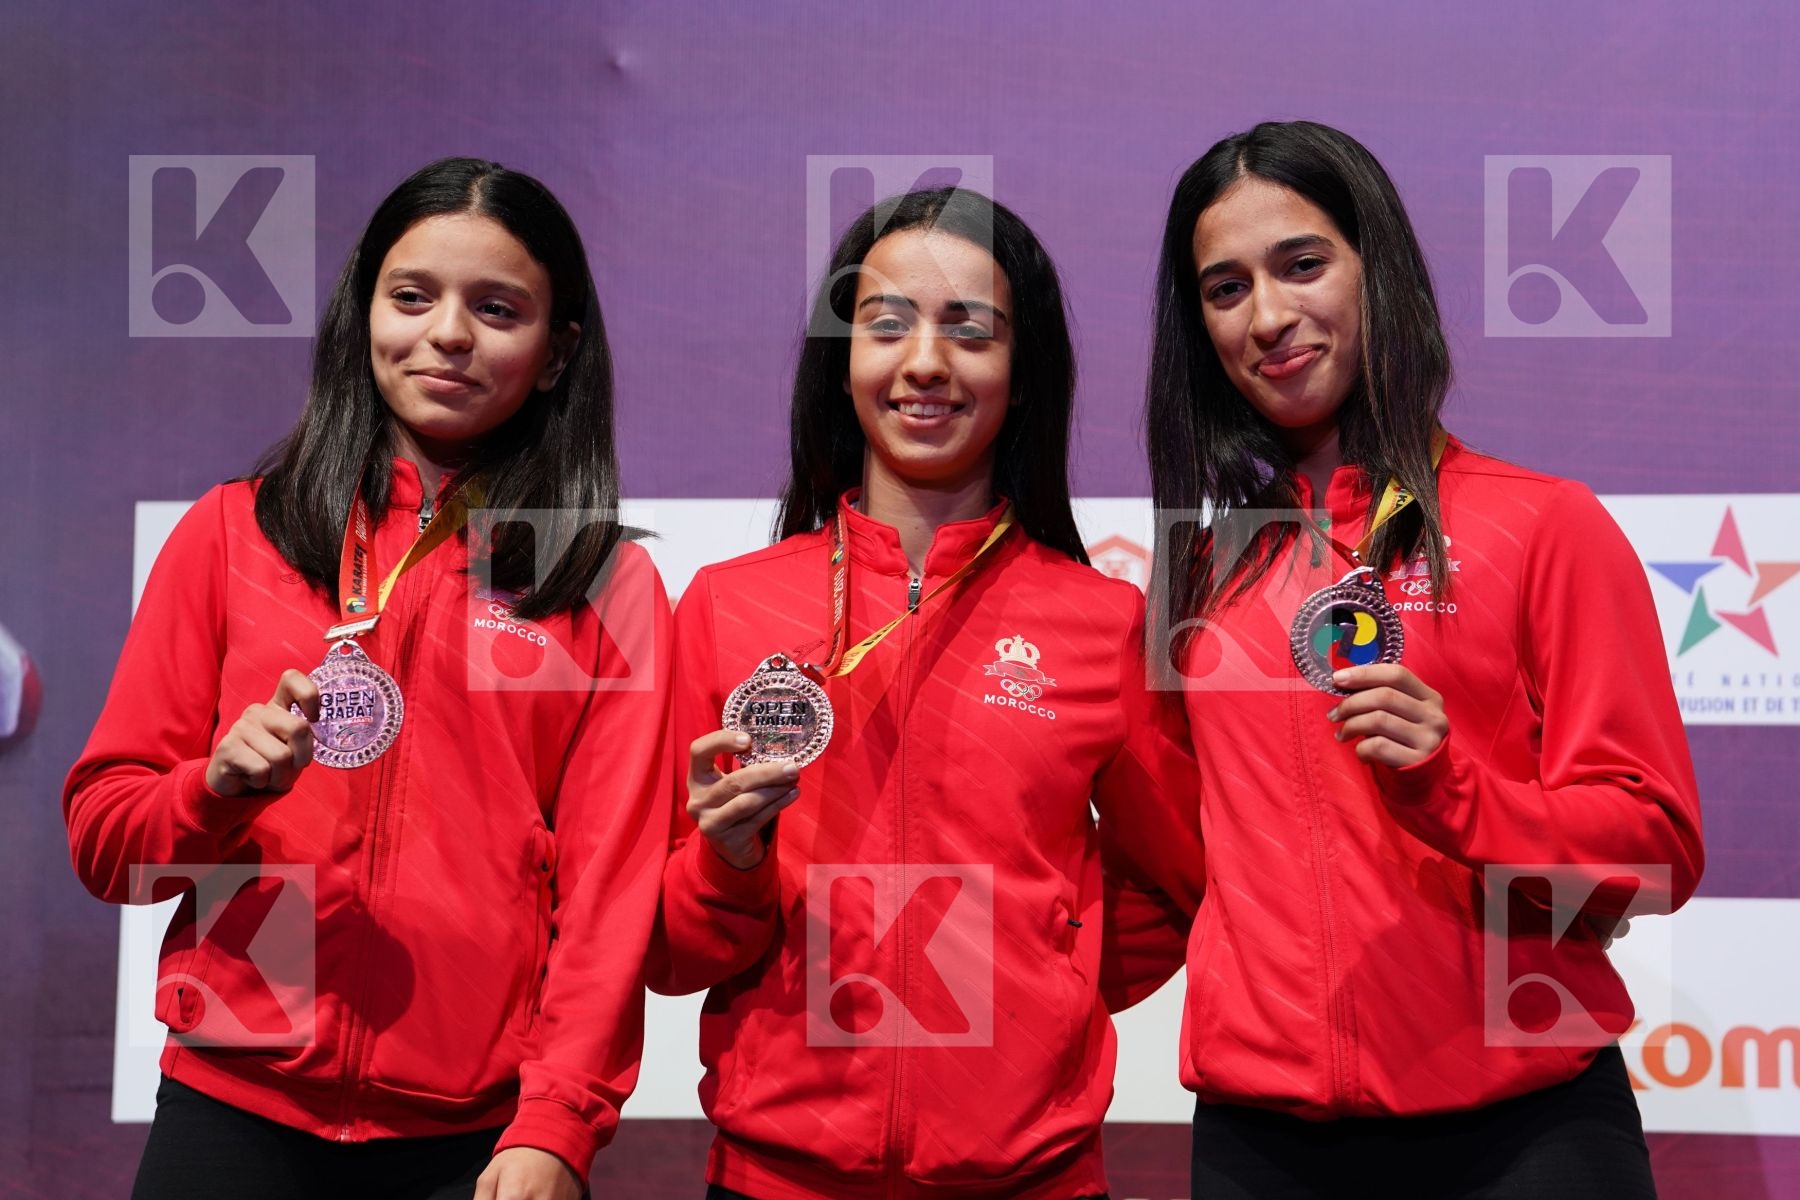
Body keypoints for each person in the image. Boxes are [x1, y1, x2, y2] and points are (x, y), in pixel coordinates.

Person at [64, 158, 670, 1200]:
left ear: (559, 350)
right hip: (231, 1103)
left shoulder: (600, 578)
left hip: (473, 1139)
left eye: (497, 308)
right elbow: (107, 845)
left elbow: (610, 897)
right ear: (363, 315)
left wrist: (558, 1125)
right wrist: (212, 791)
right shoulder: (234, 533)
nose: (447, 334)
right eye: (412, 297)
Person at [1143, 119, 1705, 1199]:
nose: (1268, 316)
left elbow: (1657, 849)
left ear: (1378, 269)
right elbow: (1175, 863)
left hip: (1524, 1136)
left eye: (1303, 264)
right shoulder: (1195, 570)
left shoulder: (1542, 525)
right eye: (1224, 288)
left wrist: (1453, 789)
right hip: (1262, 1147)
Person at [648, 187, 1205, 1200]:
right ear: (842, 360)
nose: (925, 364)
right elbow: (667, 951)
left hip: (1034, 1179)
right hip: (776, 1177)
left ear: (1022, 374)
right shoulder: (727, 608)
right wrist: (730, 867)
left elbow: (1179, 884)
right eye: (887, 325)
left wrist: (1042, 986)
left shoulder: (1102, 623)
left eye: (970, 331)